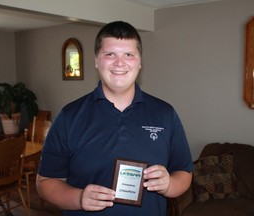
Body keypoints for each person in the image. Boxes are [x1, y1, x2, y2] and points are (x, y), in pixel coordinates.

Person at [37, 21, 193, 216]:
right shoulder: (70, 117)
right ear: (96, 60)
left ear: (140, 61)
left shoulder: (165, 114)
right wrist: (78, 198)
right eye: (110, 54)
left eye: (129, 55)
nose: (120, 63)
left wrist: (169, 185)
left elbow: (184, 173)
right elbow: (45, 182)